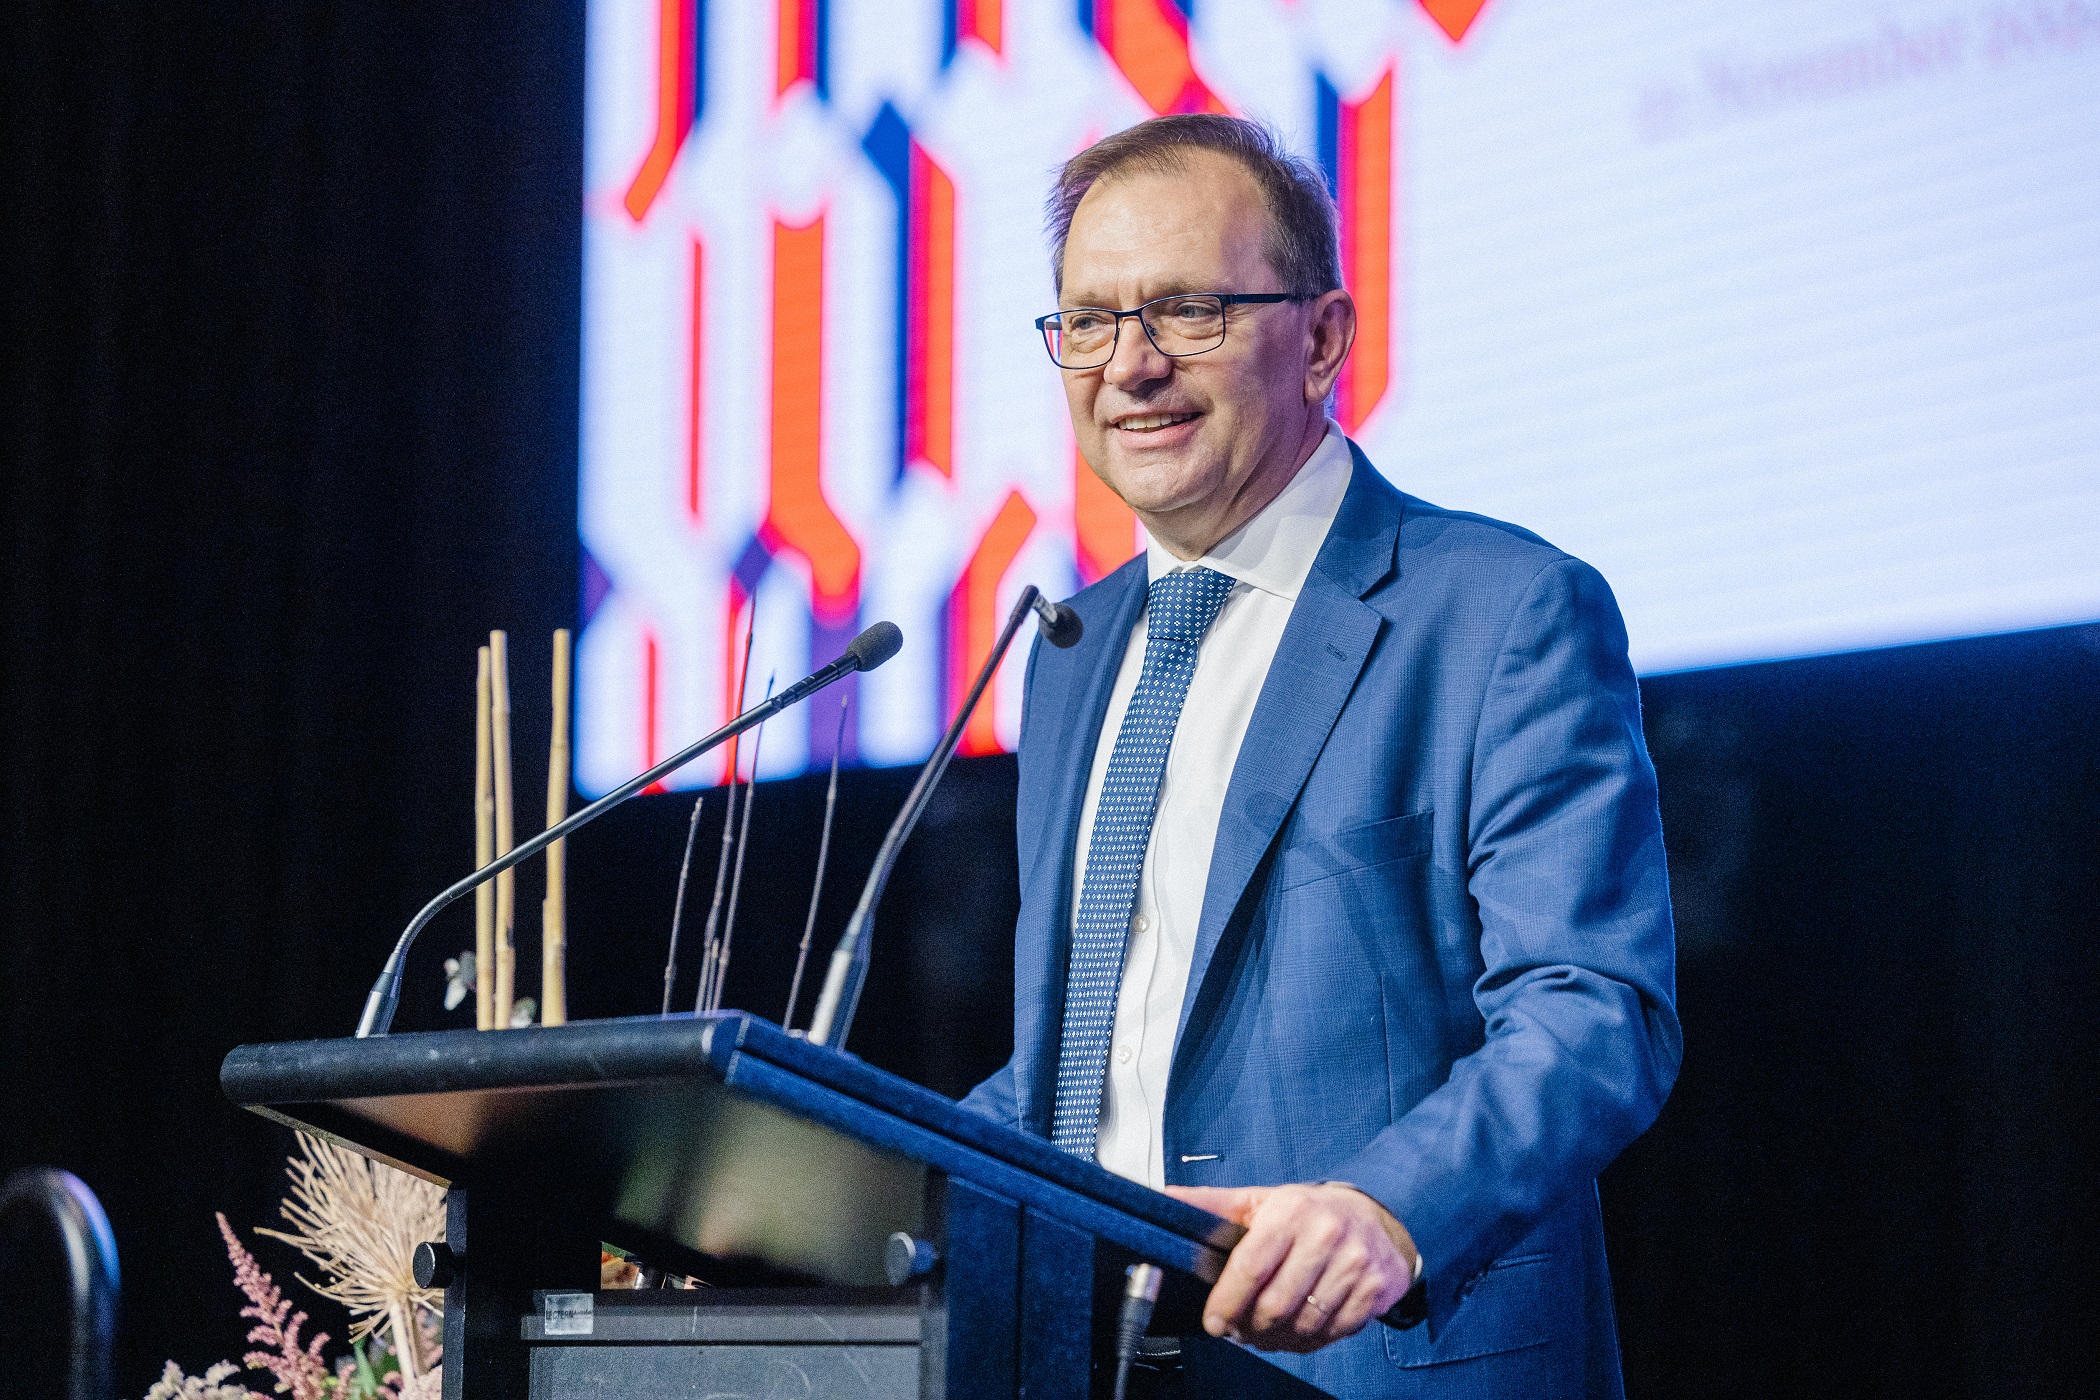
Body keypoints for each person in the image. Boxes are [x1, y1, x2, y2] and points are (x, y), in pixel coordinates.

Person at [959, 114, 1680, 1398]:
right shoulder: (1073, 653)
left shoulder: (1500, 609)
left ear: (1326, 338)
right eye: (1089, 321)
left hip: (1379, 1369)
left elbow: (1591, 1009)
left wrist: (1388, 1207)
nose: (1130, 365)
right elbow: (1081, 1054)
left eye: (1187, 311)